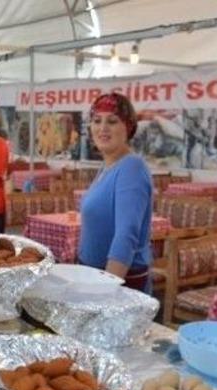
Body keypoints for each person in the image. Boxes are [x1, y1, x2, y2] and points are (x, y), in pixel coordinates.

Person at [77, 93, 153, 292]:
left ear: (128, 127)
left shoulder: (132, 168)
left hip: (117, 283)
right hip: (94, 275)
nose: (102, 128)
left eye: (112, 121)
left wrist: (106, 291)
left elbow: (126, 234)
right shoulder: (108, 166)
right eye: (96, 121)